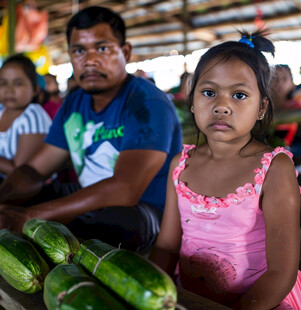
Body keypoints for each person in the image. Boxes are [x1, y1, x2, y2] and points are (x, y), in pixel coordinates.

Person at [0, 6, 182, 253]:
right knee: (26, 198)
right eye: (79, 50)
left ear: (125, 52)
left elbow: (125, 189)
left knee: (92, 227)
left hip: (146, 210)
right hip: (90, 195)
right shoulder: (74, 104)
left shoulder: (147, 103)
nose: (90, 60)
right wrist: (4, 198)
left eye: (103, 48)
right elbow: (34, 169)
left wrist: (32, 215)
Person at [149, 30, 301, 309]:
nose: (222, 106)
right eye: (209, 92)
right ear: (192, 101)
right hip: (189, 299)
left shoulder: (274, 168)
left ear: (261, 108)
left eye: (239, 95)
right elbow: (166, 247)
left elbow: (281, 273)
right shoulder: (181, 164)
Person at [0, 54, 51, 182]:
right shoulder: (1, 112)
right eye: (3, 83)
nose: (9, 90)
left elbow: (21, 174)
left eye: (18, 84)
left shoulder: (33, 116)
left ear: (35, 89)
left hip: (31, 193)